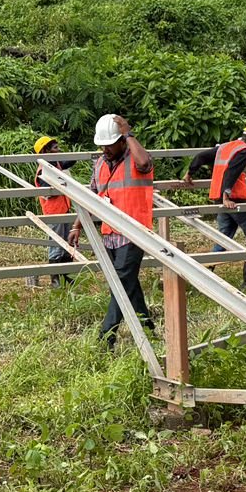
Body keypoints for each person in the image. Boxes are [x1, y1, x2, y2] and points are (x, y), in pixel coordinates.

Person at [86, 113, 155, 347]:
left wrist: (128, 132)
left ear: (122, 141)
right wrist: (77, 226)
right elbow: (92, 198)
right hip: (110, 233)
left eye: (109, 144)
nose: (105, 149)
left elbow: (145, 163)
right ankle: (148, 325)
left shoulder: (136, 158)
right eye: (102, 145)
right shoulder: (99, 164)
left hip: (134, 232)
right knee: (128, 282)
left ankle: (106, 337)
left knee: (120, 284)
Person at [179, 122, 246, 290]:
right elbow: (231, 172)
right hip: (235, 200)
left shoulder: (227, 146)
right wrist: (227, 195)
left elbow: (202, 156)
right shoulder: (244, 151)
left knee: (223, 239)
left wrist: (190, 172)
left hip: (220, 198)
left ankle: (202, 277)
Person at [31, 136, 76, 287]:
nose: (59, 150)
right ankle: (55, 279)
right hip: (54, 213)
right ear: (45, 151)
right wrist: (64, 184)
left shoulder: (55, 164)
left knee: (67, 243)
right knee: (56, 245)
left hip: (64, 210)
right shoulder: (43, 171)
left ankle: (65, 276)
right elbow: (50, 192)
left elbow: (69, 162)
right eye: (55, 148)